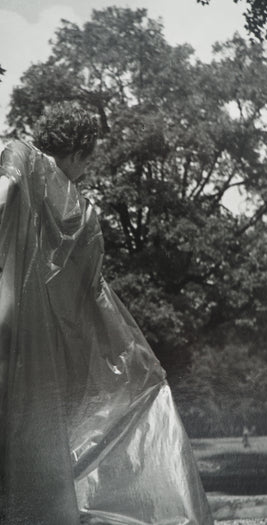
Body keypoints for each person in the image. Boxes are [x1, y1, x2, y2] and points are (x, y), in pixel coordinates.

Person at [0, 102, 213, 525]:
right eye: (87, 160)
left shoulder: (18, 153)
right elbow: (90, 295)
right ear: (79, 152)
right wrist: (129, 355)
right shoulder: (82, 211)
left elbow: (5, 193)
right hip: (40, 352)